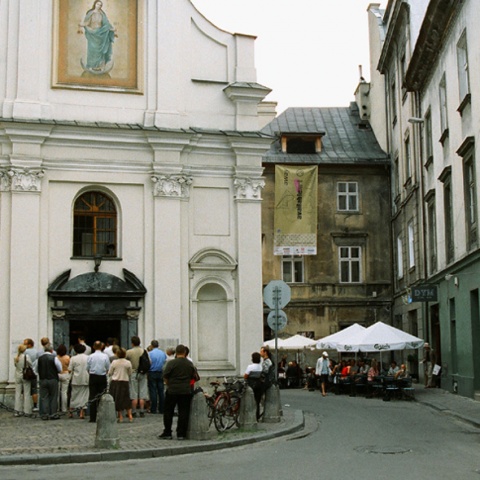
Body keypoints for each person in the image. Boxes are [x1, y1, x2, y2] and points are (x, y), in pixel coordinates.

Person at [158, 344, 196, 441]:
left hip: (172, 390)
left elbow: (165, 375)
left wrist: (169, 384)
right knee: (183, 412)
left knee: (168, 412)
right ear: (184, 352)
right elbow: (194, 376)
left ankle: (167, 432)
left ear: (176, 352)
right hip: (185, 391)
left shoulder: (172, 363)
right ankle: (181, 433)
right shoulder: (189, 364)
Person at [78, 1, 116, 72]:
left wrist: (112, 28)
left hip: (101, 34)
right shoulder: (90, 13)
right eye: (98, 4)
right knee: (92, 51)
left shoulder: (102, 14)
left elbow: (106, 24)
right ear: (95, 4)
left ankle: (100, 66)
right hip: (93, 34)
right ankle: (91, 66)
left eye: (100, 5)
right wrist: (81, 24)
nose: (99, 6)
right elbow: (87, 22)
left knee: (100, 52)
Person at [35, 343, 61, 420]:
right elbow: (59, 368)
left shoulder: (39, 359)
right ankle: (53, 413)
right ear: (51, 350)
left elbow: (36, 369)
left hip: (43, 379)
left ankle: (45, 414)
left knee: (44, 397)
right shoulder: (54, 358)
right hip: (53, 379)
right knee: (53, 396)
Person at [86, 340, 110, 423]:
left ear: (93, 347)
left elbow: (87, 367)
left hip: (93, 376)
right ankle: (102, 416)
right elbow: (108, 367)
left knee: (92, 396)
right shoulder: (105, 356)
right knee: (102, 397)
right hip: (102, 377)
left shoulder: (90, 356)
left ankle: (92, 417)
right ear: (102, 346)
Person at [108, 347, 133, 423]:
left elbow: (110, 372)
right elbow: (130, 373)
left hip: (116, 382)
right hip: (124, 381)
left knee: (117, 399)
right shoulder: (128, 362)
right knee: (126, 399)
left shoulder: (114, 362)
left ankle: (120, 416)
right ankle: (130, 416)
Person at [126, 336, 149, 418]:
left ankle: (134, 411)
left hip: (133, 373)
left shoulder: (129, 352)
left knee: (134, 393)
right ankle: (142, 411)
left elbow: (125, 361)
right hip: (142, 373)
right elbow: (150, 362)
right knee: (142, 392)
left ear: (132, 343)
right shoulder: (144, 351)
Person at [69, 343, 89, 419]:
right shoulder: (88, 357)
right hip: (85, 378)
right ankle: (82, 412)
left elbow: (70, 369)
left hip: (76, 378)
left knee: (74, 396)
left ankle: (71, 410)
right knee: (84, 396)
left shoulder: (73, 358)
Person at [147, 340, 168, 414]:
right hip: (160, 373)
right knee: (161, 391)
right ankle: (161, 408)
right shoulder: (163, 353)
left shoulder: (149, 354)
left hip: (152, 372)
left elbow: (148, 363)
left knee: (153, 391)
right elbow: (165, 362)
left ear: (152, 345)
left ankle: (153, 408)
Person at [13, 344, 32, 416]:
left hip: (17, 375)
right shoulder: (26, 357)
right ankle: (27, 410)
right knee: (26, 393)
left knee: (17, 393)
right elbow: (30, 364)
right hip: (25, 375)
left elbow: (15, 365)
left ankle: (17, 410)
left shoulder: (16, 357)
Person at [244, 352, 264, 420]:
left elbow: (245, 376)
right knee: (257, 401)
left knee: (250, 400)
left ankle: (250, 416)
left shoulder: (250, 367)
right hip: (259, 384)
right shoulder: (260, 367)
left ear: (252, 359)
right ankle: (257, 416)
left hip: (251, 384)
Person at [23, 338, 39, 411]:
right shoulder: (36, 352)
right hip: (34, 372)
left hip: (26, 373)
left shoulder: (25, 352)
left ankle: (26, 406)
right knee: (34, 389)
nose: (24, 345)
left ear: (29, 344)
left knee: (26, 390)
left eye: (25, 344)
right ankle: (35, 406)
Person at [56, 344, 71, 413]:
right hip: (65, 374)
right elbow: (70, 368)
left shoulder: (56, 358)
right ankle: (64, 408)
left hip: (58, 374)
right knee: (64, 392)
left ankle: (57, 407)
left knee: (57, 392)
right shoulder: (67, 358)